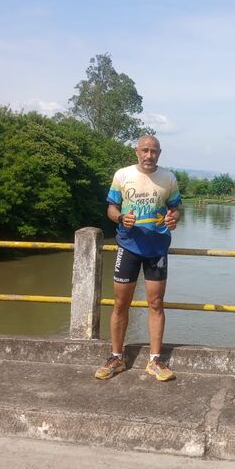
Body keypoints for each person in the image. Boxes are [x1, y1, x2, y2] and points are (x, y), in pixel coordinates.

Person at [95, 135, 182, 382]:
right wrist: (121, 218)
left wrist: (173, 218)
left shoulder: (168, 178)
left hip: (157, 249)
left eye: (154, 151)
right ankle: (116, 357)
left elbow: (175, 208)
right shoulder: (122, 175)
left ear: (159, 153)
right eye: (144, 150)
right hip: (129, 247)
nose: (149, 155)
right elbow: (111, 208)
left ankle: (155, 361)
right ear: (136, 152)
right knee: (121, 304)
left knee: (156, 304)